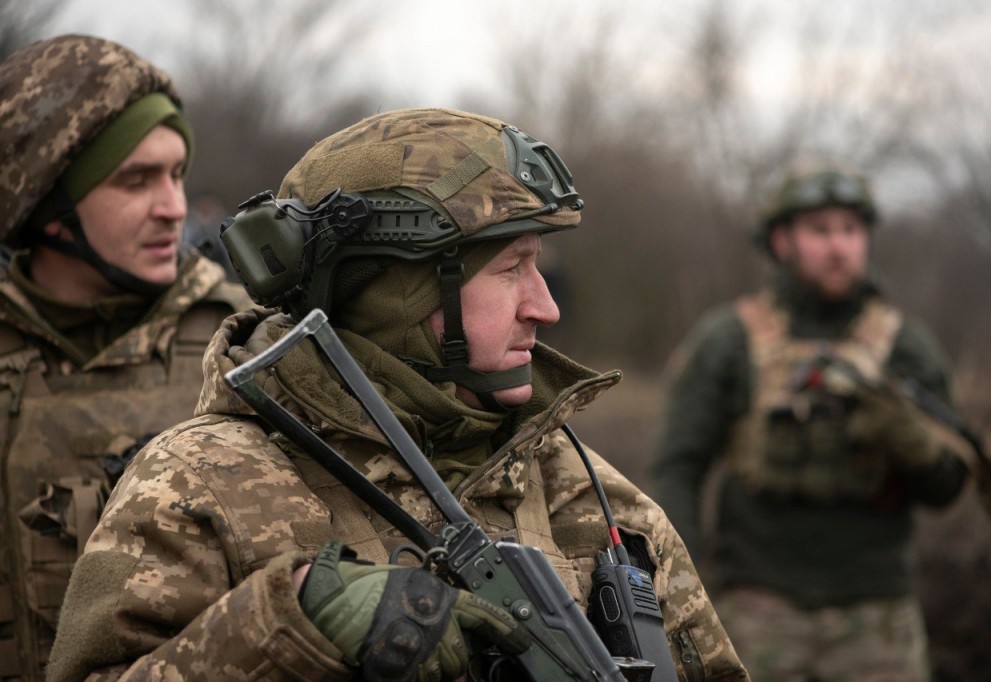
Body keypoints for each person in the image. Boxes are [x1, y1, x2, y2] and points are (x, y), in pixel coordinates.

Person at [48, 108, 748, 681]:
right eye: (511, 269)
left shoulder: (599, 503)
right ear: (397, 294)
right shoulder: (197, 486)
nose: (545, 306)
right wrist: (287, 624)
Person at [653, 161, 972, 681]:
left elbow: (949, 488)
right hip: (756, 608)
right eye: (820, 230)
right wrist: (682, 585)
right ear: (783, 241)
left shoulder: (906, 348)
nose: (839, 246)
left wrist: (909, 438)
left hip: (878, 616)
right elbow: (679, 466)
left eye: (850, 229)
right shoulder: (729, 339)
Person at [0, 34, 250, 681]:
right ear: (50, 204)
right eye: (136, 181)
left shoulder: (247, 348)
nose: (173, 209)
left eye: (177, 174)